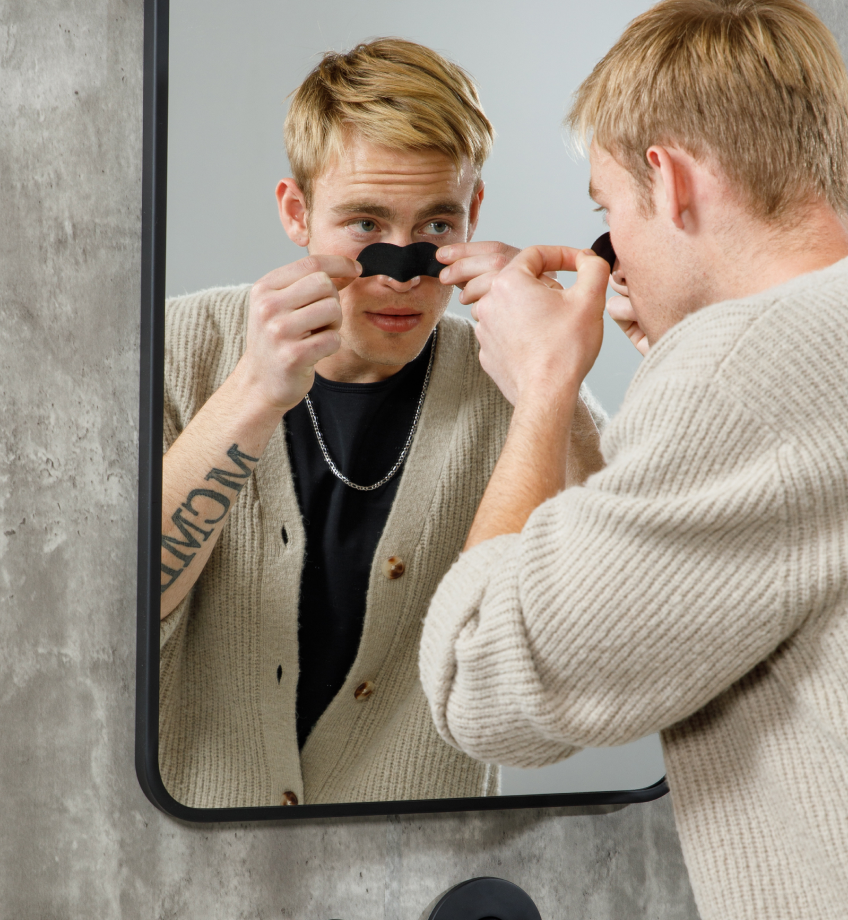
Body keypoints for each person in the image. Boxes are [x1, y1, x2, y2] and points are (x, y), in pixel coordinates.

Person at [418, 2, 848, 920]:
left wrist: (547, 388)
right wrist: (582, 403)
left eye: (610, 214)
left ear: (673, 180)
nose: (612, 255)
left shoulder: (748, 368)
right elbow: (661, 588)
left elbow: (481, 680)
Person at [158, 38, 605, 809]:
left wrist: (548, 385)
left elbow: (600, 644)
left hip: (422, 865)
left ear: (474, 215)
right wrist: (254, 395)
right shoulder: (182, 352)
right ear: (297, 213)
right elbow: (104, 625)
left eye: (435, 227)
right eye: (365, 224)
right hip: (188, 861)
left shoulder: (520, 382)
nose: (401, 270)